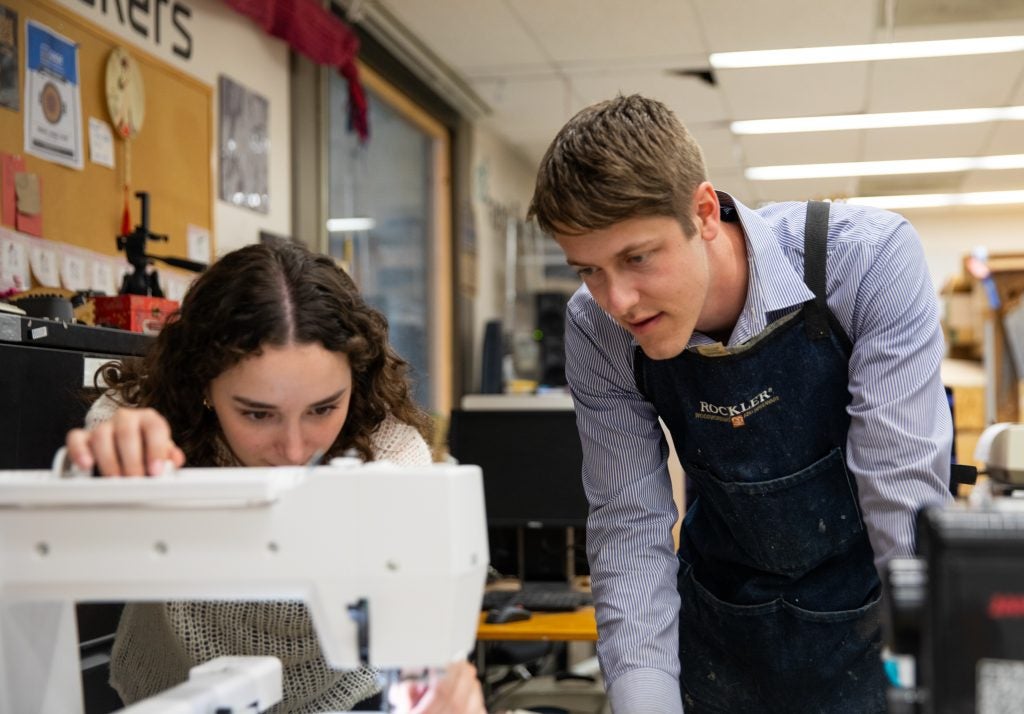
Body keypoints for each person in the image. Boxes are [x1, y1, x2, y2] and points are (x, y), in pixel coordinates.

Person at [527, 94, 953, 713]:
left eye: (637, 258)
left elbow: (900, 493)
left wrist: (929, 675)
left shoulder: (867, 260)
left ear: (703, 211)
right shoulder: (597, 328)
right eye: (588, 270)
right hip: (720, 634)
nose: (618, 299)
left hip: (866, 625)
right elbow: (629, 525)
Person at [65, 239, 484, 714]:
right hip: (170, 690)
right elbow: (112, 422)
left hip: (338, 695)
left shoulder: (388, 452)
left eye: (323, 408)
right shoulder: (155, 422)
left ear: (357, 379)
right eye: (258, 414)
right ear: (204, 383)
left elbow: (412, 574)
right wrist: (123, 447)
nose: (294, 448)